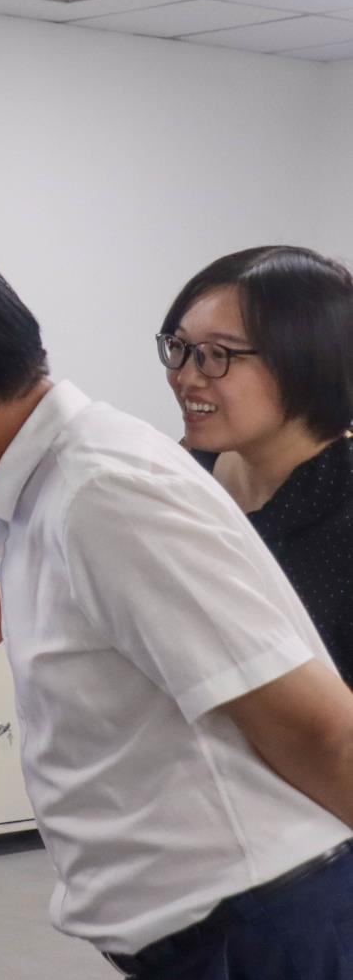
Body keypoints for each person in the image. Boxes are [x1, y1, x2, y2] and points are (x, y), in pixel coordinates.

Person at [0, 241, 353, 980]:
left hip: (261, 945)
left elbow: (320, 729)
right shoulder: (45, 486)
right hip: (205, 949)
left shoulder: (103, 494)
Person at [158, 245, 353, 679]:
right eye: (179, 346)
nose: (186, 377)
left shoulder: (341, 509)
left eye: (218, 354)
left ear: (304, 362)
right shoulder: (183, 470)